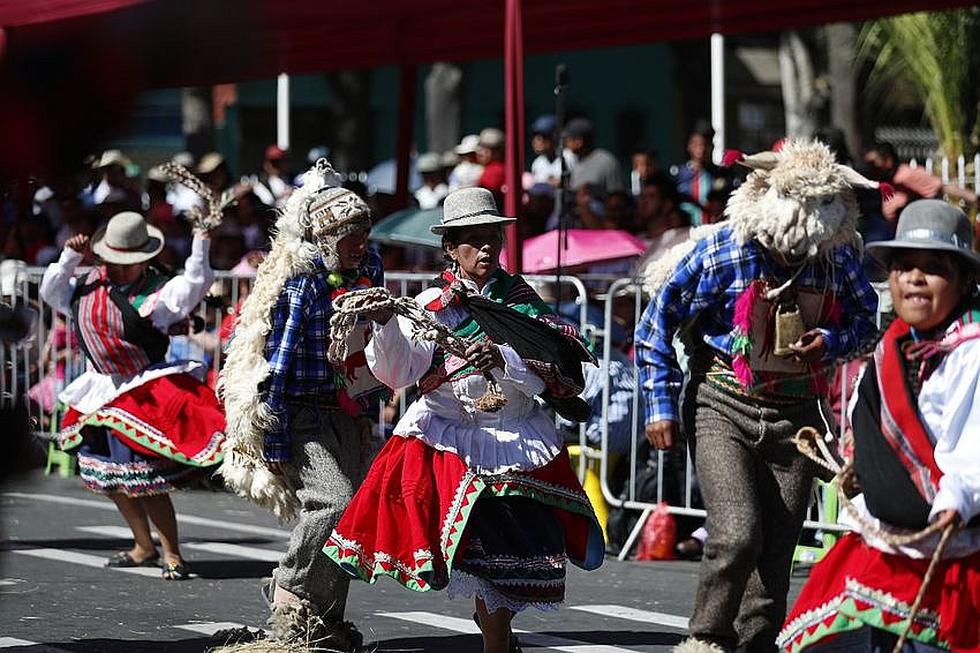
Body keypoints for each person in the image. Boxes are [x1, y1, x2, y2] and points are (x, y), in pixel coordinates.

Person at [325, 187, 605, 653]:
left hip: (515, 437)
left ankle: (496, 624)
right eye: (472, 239)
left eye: (492, 236)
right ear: (451, 248)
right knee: (483, 556)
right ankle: (496, 639)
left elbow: (554, 371)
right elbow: (400, 372)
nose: (486, 248)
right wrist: (385, 324)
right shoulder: (430, 305)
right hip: (451, 440)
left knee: (521, 555)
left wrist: (503, 356)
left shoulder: (521, 302)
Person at [636, 141, 883, 653]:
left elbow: (866, 322)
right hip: (723, 401)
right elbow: (655, 328)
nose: (808, 219)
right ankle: (706, 637)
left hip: (797, 413)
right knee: (736, 533)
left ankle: (756, 643)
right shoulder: (719, 251)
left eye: (823, 204)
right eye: (797, 200)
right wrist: (659, 406)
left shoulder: (838, 258)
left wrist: (831, 341)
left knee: (776, 546)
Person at [779, 199, 980, 653]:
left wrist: (958, 498)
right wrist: (857, 463)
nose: (915, 277)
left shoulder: (972, 351)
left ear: (965, 281)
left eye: (934, 268)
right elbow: (868, 421)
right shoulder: (893, 347)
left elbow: (975, 440)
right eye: (904, 266)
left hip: (952, 541)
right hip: (889, 535)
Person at [218, 160, 389, 651]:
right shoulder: (305, 281)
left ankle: (325, 620)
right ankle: (290, 590)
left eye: (364, 232)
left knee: (352, 516)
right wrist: (271, 434)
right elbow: (280, 360)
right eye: (349, 235)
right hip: (302, 411)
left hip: (349, 409)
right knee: (331, 504)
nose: (359, 243)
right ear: (325, 238)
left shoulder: (371, 267)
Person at [39, 211, 224, 581]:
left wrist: (201, 242)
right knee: (110, 480)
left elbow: (195, 284)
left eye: (129, 263)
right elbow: (50, 292)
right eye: (114, 261)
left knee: (147, 480)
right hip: (98, 391)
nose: (120, 270)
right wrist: (69, 258)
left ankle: (171, 552)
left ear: (144, 259)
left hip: (142, 391)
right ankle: (143, 545)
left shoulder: (158, 292)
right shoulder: (85, 285)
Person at [670, 121, 724, 227]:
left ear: (712, 146)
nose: (701, 149)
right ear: (689, 146)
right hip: (685, 233)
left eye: (706, 144)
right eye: (697, 144)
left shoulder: (722, 174)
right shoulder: (678, 176)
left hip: (713, 230)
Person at [564, 117, 625, 195]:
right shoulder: (574, 161)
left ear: (579, 142)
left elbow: (617, 197)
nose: (566, 143)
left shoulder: (606, 162)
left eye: (568, 139)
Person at [477, 128, 507, 202]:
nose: (480, 153)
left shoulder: (496, 169)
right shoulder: (486, 167)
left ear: (497, 152)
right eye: (480, 148)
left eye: (486, 150)